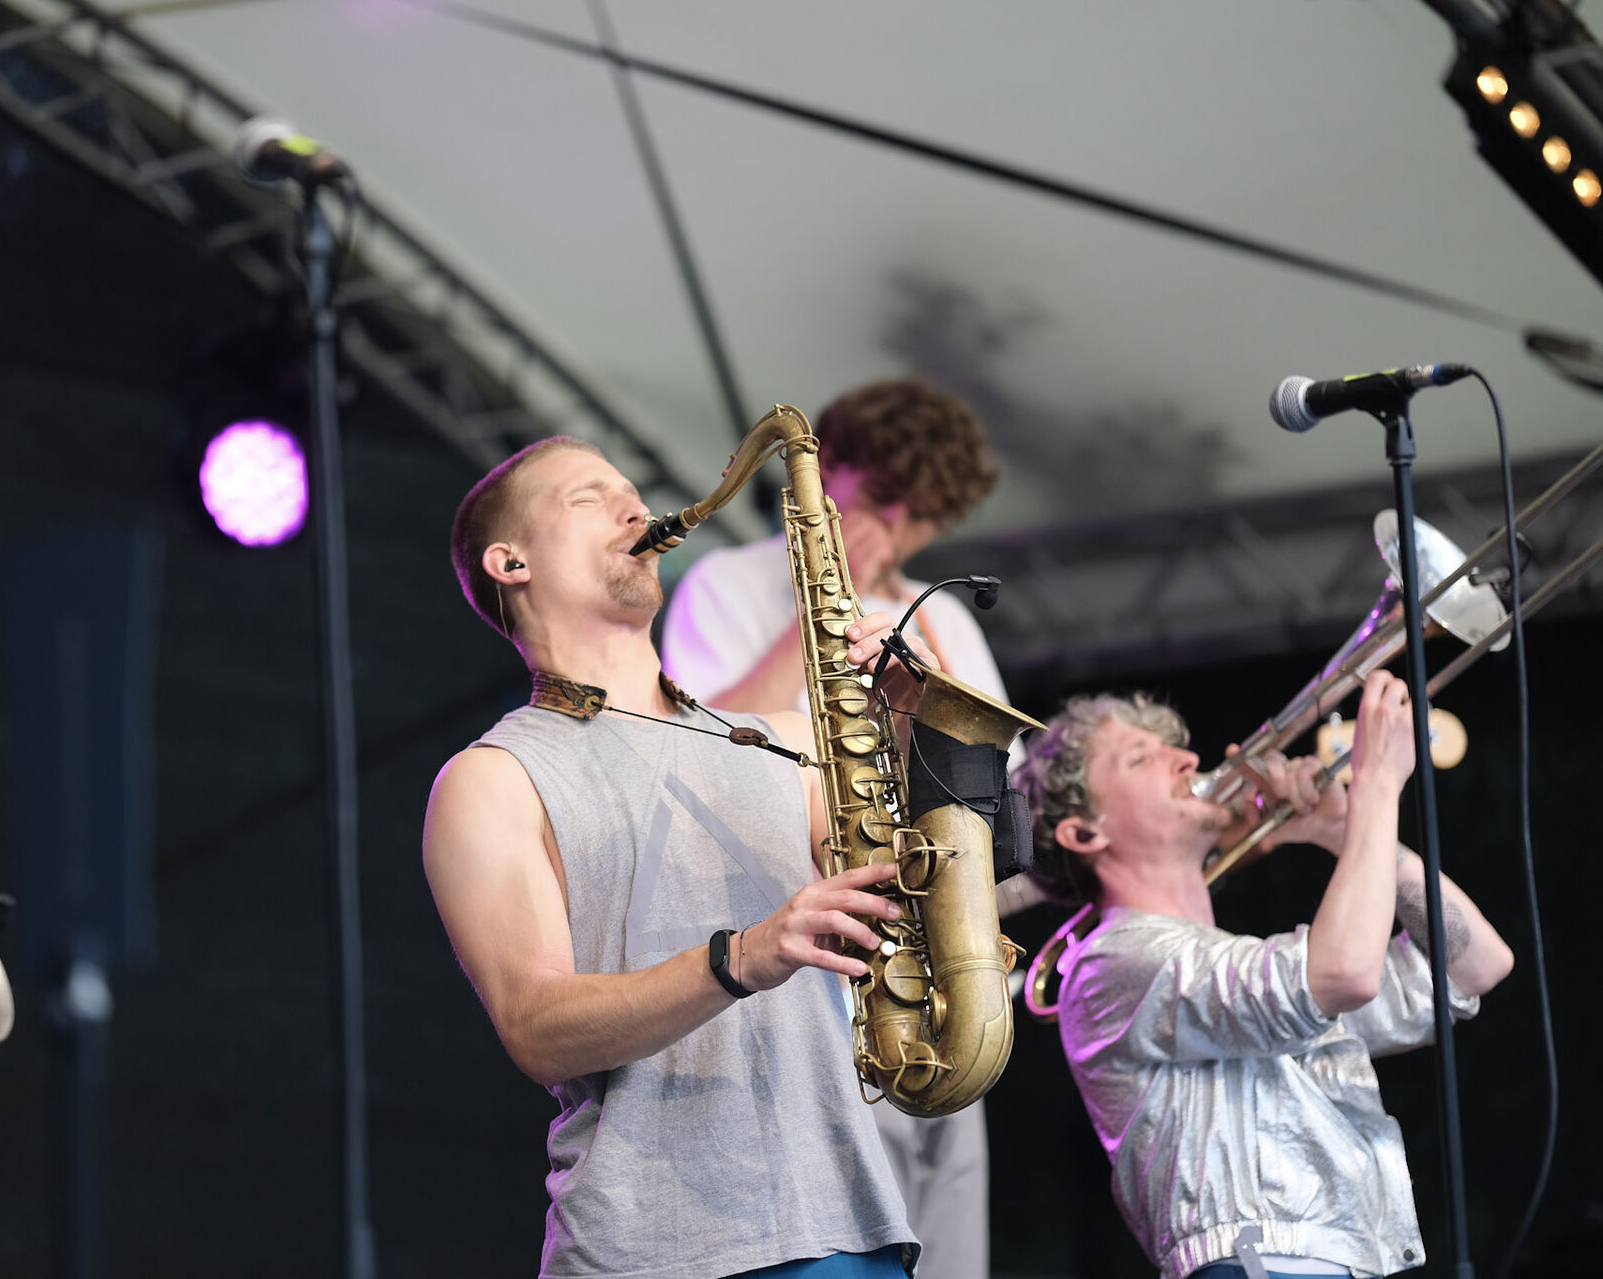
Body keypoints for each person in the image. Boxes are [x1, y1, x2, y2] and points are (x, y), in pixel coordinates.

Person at [423, 436, 935, 1278]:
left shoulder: (786, 747)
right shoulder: (492, 780)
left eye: (632, 491)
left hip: (850, 1223)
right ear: (510, 562)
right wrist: (744, 956)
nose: (636, 508)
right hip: (650, 1252)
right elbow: (537, 1029)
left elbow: (926, 891)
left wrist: (927, 719)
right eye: (589, 498)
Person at [661, 378, 1021, 1279]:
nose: (896, 529)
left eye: (921, 514)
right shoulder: (726, 584)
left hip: (929, 967)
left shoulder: (940, 614)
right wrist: (814, 616)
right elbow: (695, 749)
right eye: (884, 497)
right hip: (794, 973)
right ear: (837, 472)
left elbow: (977, 795)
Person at [1011, 674, 1513, 1279]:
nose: (1188, 758)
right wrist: (1378, 785)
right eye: (1142, 758)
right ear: (1085, 832)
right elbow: (1343, 974)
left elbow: (1474, 963)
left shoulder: (1246, 965)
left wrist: (1341, 825)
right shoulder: (1108, 965)